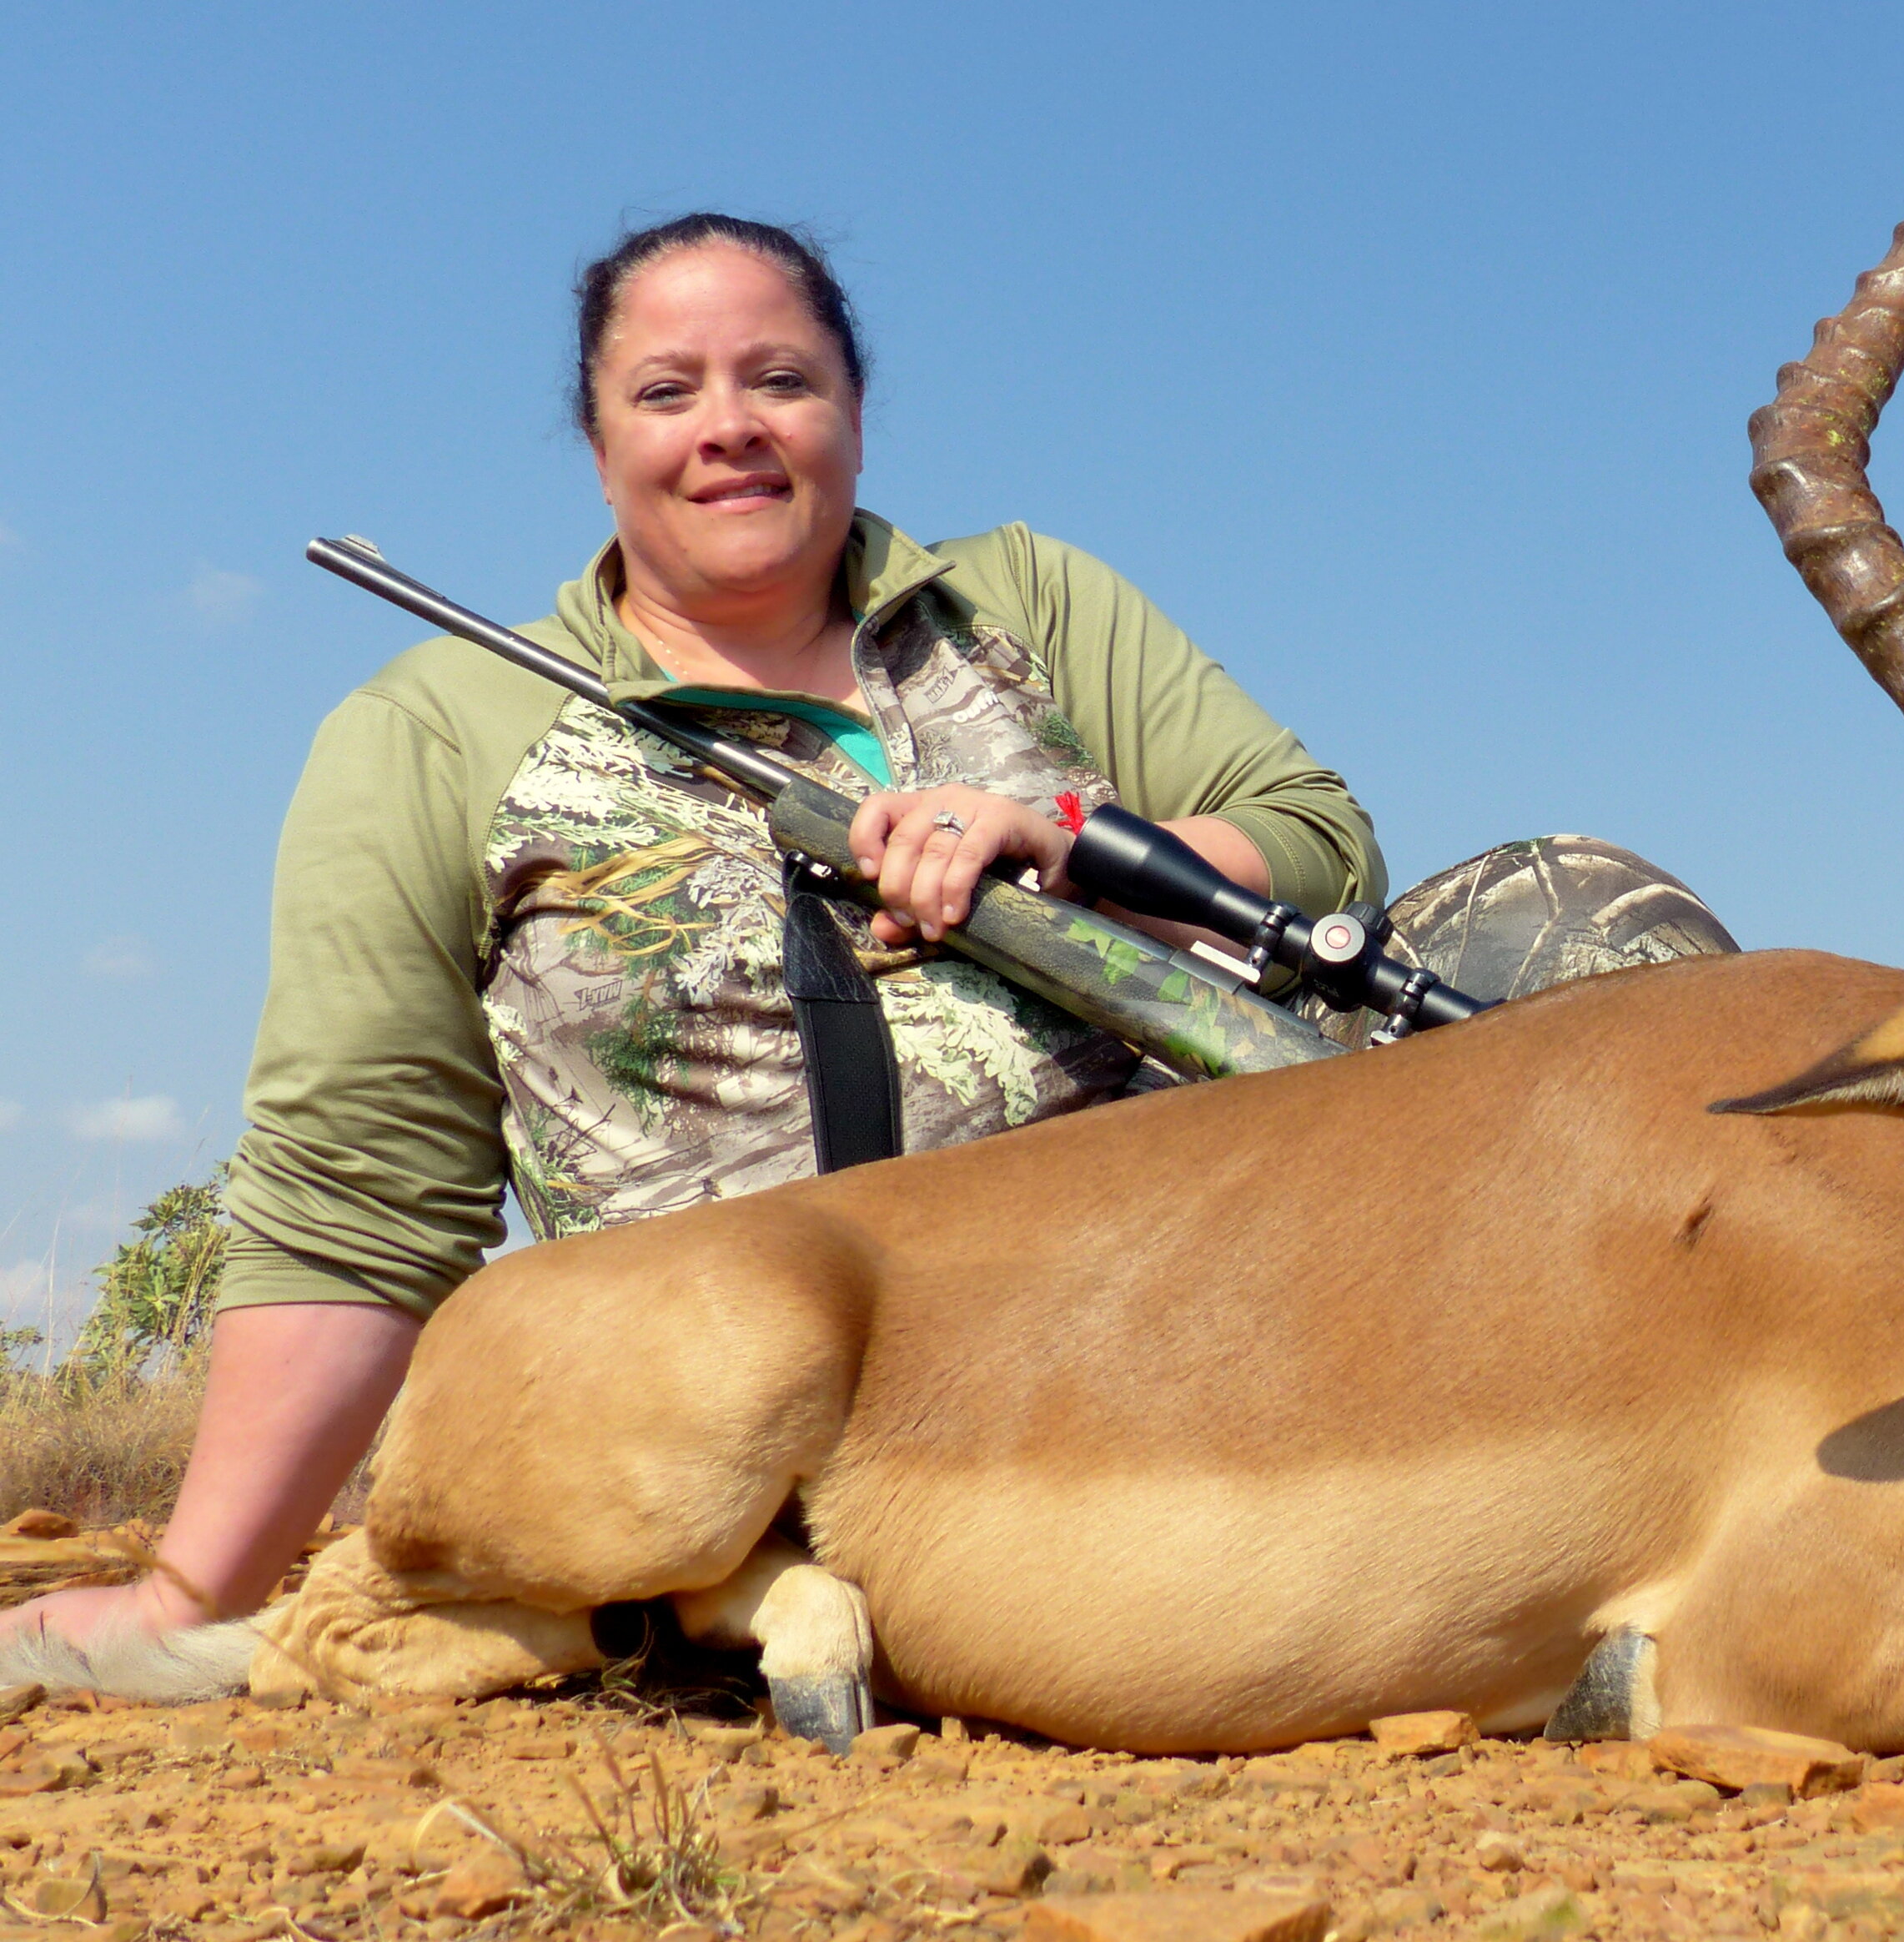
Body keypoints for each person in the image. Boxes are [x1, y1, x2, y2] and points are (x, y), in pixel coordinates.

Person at [0, 214, 1731, 1680]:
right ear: (596, 441)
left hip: (1188, 1315)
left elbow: (1311, 838)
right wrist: (191, 1590)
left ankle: (1704, 1486)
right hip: (746, 1407)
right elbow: (360, 1177)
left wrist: (1053, 838)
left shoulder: (1026, 601)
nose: (729, 428)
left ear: (852, 410)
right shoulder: (437, 727)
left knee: (1590, 929)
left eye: (780, 380)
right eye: (665, 392)